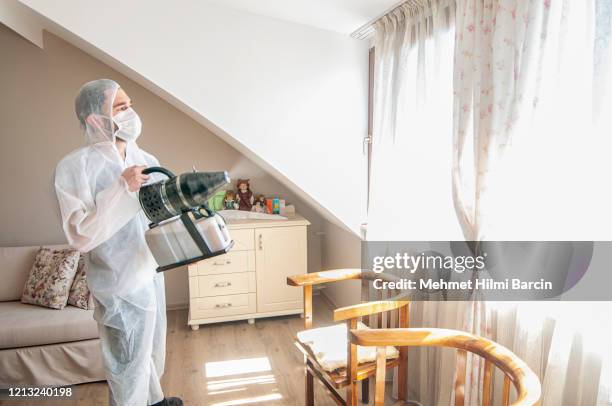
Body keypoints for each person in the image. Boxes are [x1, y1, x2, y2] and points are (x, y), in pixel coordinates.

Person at [54, 79, 182, 406]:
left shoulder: (145, 157)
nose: (130, 113)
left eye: (129, 105)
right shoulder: (74, 168)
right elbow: (81, 235)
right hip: (118, 284)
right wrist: (119, 189)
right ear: (95, 119)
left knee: (150, 354)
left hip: (150, 272)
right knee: (127, 366)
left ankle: (155, 402)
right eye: (120, 108)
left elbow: (156, 214)